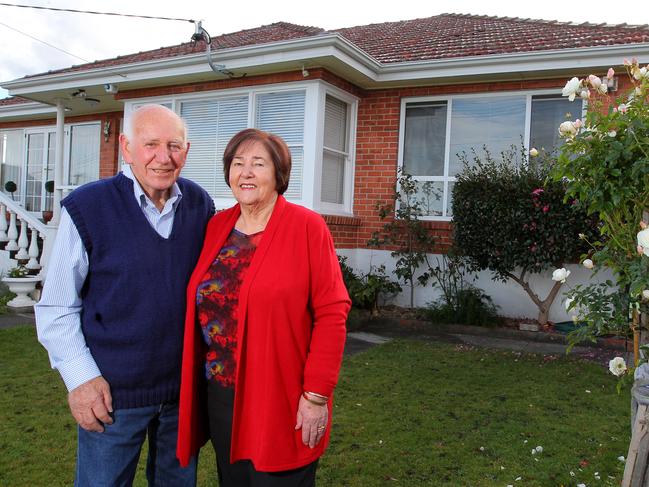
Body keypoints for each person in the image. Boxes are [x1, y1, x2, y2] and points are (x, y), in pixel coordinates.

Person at [35, 104, 214, 487]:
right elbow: (56, 307)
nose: (163, 158)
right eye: (151, 144)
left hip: (182, 394)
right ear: (126, 147)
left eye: (174, 145)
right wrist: (81, 381)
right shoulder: (88, 207)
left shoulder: (201, 205)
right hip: (111, 397)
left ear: (187, 150)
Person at [177, 128, 350, 486]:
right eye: (238, 163)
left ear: (279, 174)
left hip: (281, 398)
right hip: (223, 397)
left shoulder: (307, 227)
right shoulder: (218, 226)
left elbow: (332, 312)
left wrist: (316, 396)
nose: (247, 172)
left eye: (258, 163)